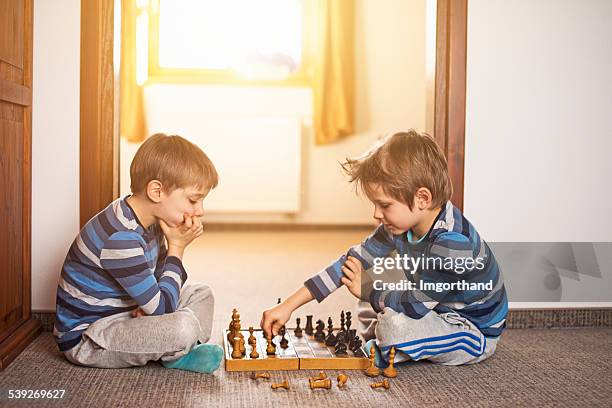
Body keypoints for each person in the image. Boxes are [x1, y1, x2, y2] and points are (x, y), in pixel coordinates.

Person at [261, 130, 507, 366]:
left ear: (422, 198)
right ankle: (391, 341)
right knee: (369, 280)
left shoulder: (453, 244)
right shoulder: (399, 226)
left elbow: (416, 306)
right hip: (432, 305)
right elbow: (348, 264)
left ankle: (392, 344)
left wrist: (368, 292)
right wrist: (287, 306)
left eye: (384, 205)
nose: (376, 214)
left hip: (471, 329)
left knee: (391, 324)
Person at [54, 133, 223, 373]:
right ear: (156, 191)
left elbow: (158, 281)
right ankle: (177, 351)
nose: (201, 211)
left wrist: (152, 309)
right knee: (182, 327)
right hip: (91, 338)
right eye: (194, 200)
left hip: (128, 312)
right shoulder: (122, 238)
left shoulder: (148, 220)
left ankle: (175, 348)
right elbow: (163, 308)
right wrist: (177, 247)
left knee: (202, 293)